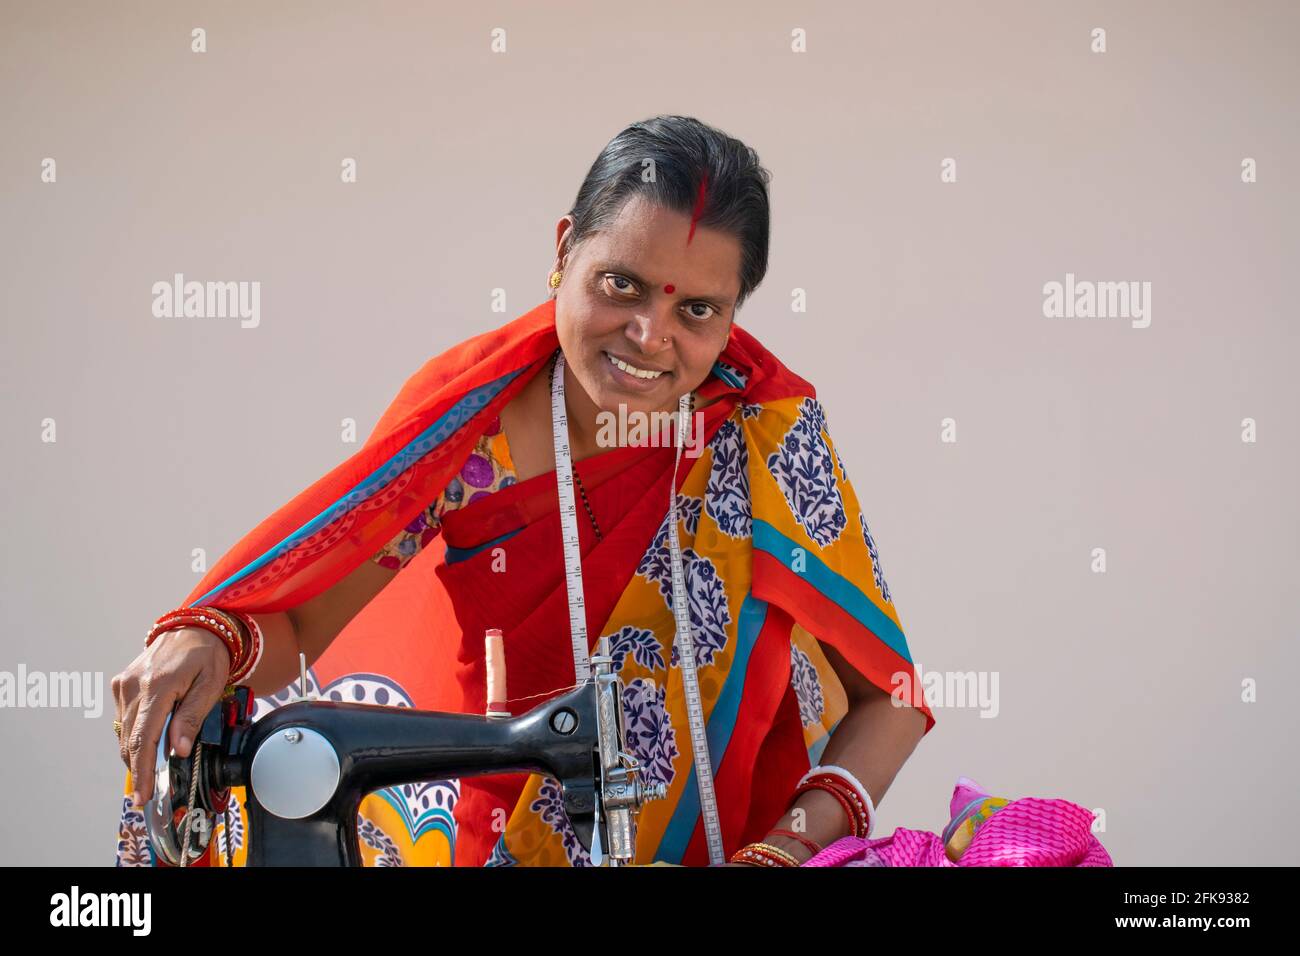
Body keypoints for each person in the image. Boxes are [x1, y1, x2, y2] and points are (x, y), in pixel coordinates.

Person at [112, 114, 936, 868]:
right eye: (623, 285)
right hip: (501, 844)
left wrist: (788, 849)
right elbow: (297, 626)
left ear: (733, 315)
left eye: (698, 309)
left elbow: (889, 699)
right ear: (563, 250)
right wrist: (215, 640)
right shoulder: (472, 428)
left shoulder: (763, 434)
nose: (652, 336)